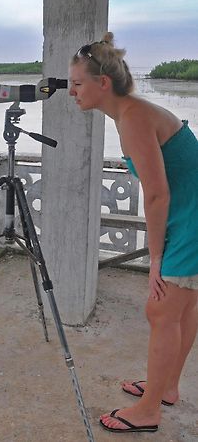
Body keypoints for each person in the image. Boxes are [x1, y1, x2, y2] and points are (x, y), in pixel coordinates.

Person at [69, 32, 198, 434]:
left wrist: (155, 258)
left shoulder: (133, 118)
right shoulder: (133, 112)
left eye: (76, 83)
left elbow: (156, 194)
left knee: (161, 309)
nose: (70, 92)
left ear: (102, 83)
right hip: (190, 214)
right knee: (184, 306)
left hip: (190, 220)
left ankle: (148, 410)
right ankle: (167, 388)